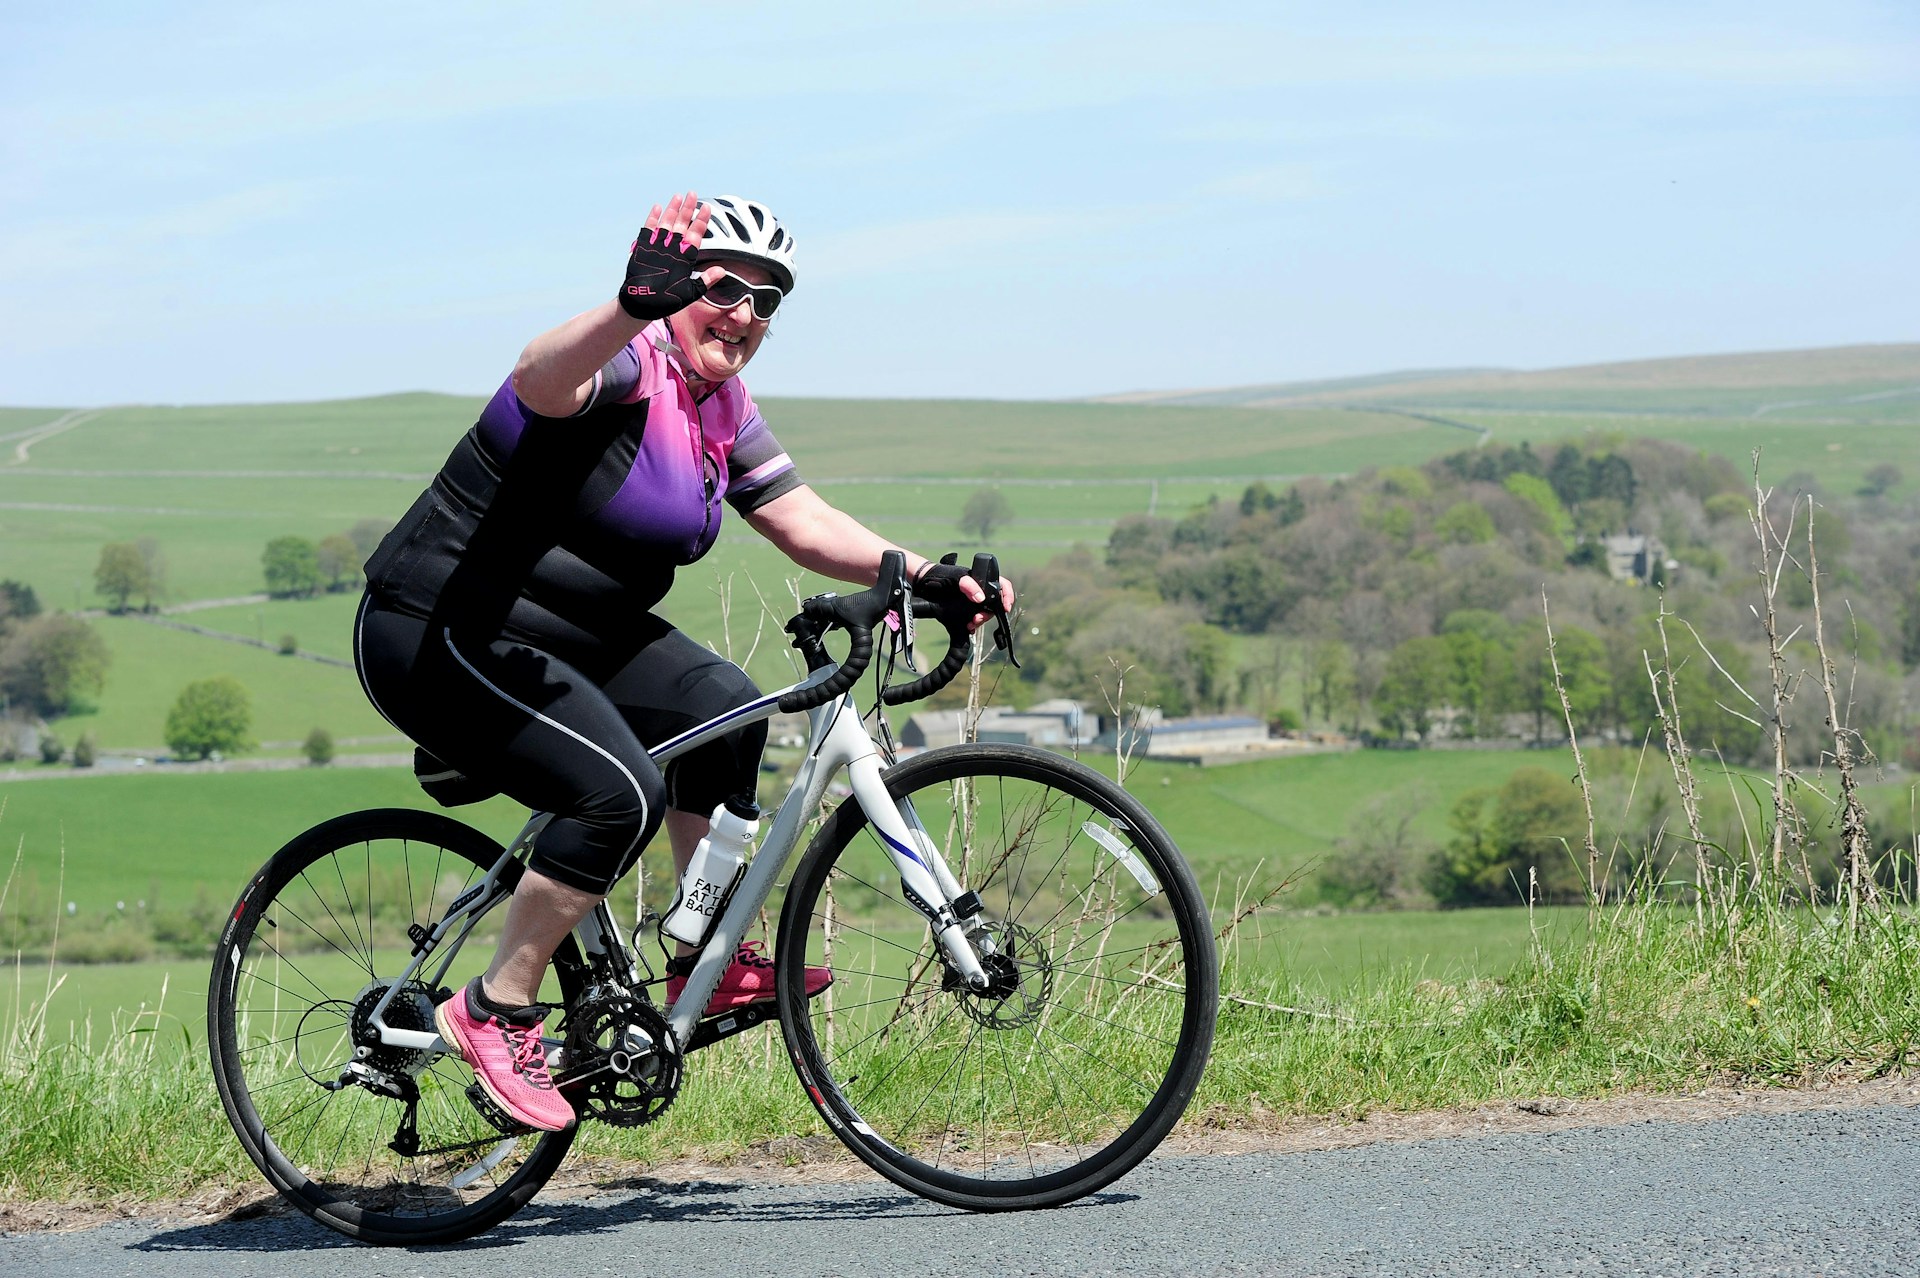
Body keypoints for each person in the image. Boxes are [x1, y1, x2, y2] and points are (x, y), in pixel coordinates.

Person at [353, 193, 1014, 1133]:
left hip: (566, 637)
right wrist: (628, 306)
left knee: (729, 709)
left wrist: (924, 574)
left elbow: (802, 521)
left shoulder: (719, 403)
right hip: (441, 624)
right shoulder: (627, 361)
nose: (744, 313)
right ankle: (497, 1006)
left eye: (767, 300)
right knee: (618, 793)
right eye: (724, 286)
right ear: (675, 287)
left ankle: (701, 952)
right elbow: (539, 380)